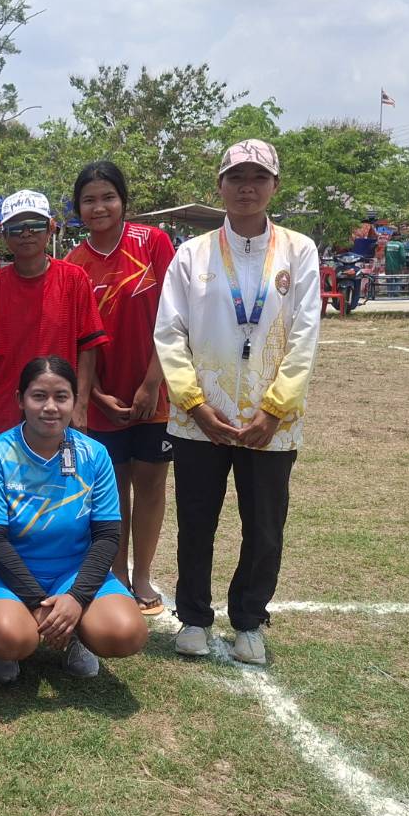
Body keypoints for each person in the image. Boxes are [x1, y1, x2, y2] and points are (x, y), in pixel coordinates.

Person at [154, 139, 321, 666]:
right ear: (220, 186)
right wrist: (195, 405)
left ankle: (249, 620)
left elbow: (305, 335)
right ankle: (194, 619)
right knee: (196, 521)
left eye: (258, 178)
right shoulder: (192, 254)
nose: (247, 187)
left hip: (271, 422)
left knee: (265, 527)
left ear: (274, 185)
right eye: (236, 177)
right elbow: (169, 333)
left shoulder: (299, 251)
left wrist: (275, 410)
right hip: (200, 418)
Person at [0, 356, 148, 682]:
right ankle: (6, 638)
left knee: (126, 633)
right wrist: (38, 602)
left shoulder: (94, 454)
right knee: (8, 638)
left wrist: (76, 598)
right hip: (5, 572)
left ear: (75, 400)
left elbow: (108, 535)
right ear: (20, 399)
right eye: (39, 396)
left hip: (72, 571)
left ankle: (75, 634)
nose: (50, 407)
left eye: (61, 397)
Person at [65, 161, 176, 616]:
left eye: (107, 197)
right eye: (89, 200)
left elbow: (174, 317)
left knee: (150, 482)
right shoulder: (73, 264)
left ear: (123, 201)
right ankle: (117, 575)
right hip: (101, 398)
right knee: (112, 489)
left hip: (155, 389)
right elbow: (74, 340)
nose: (99, 207)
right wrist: (94, 396)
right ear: (77, 208)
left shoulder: (153, 242)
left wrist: (152, 383)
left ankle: (143, 574)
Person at [0, 190, 108, 443]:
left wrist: (81, 405)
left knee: (62, 469)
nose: (26, 233)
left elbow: (88, 346)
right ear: (3, 234)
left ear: (51, 227)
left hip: (60, 411)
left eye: (34, 225)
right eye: (15, 228)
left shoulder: (74, 279)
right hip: (5, 412)